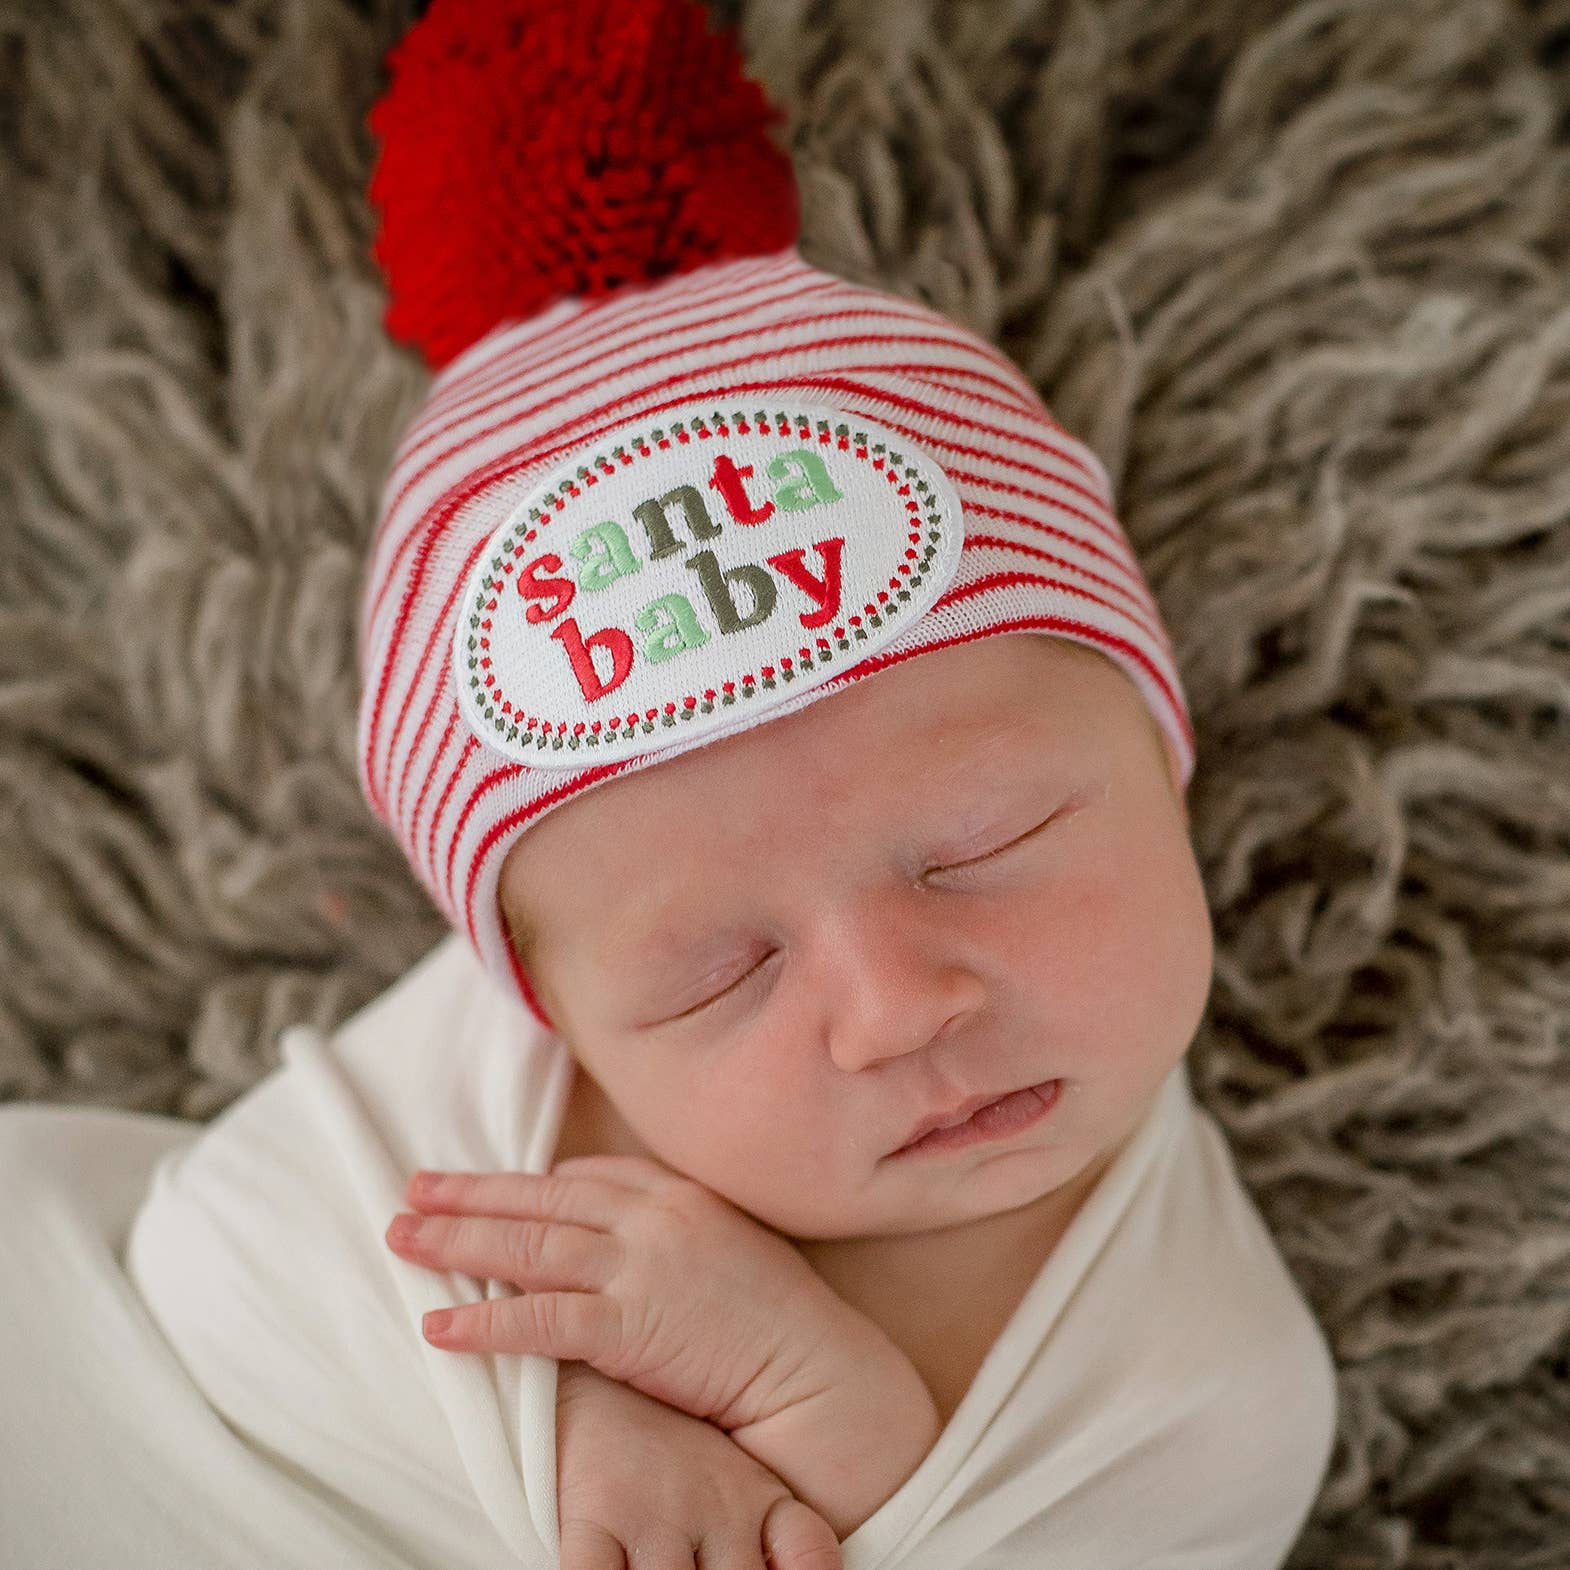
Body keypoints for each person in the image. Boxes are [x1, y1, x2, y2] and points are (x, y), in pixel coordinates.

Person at [0, 0, 1339, 1565]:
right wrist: (558, 1422)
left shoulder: (1212, 1392)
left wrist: (828, 1411)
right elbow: (214, 1266)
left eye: (990, 842)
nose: (895, 1006)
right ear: (547, 1005)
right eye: (722, 974)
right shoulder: (450, 1135)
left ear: (1156, 751)